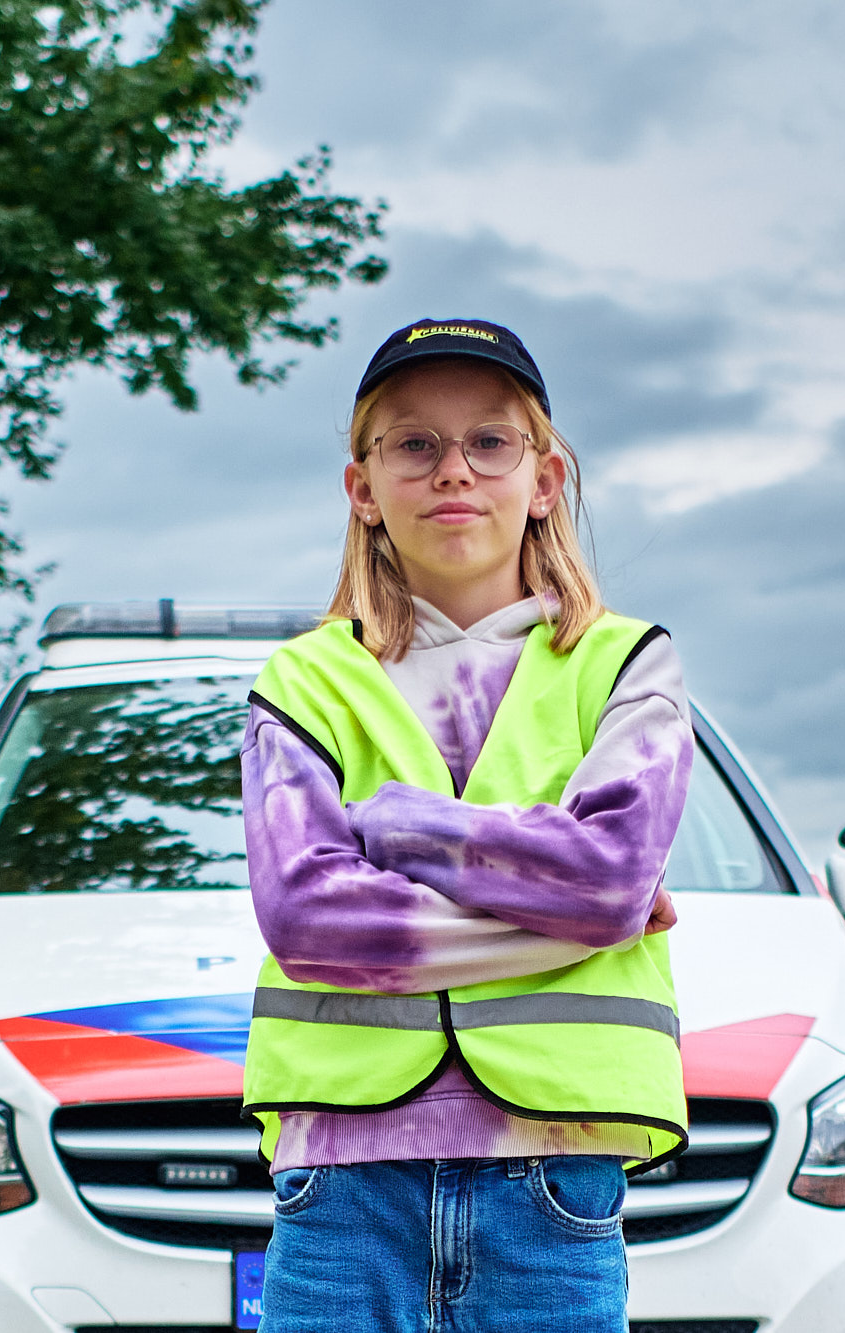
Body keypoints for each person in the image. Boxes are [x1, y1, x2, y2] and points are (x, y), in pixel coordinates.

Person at [240, 319, 695, 1333]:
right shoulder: (306, 681)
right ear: (362, 487)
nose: (453, 470)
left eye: (488, 441)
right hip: (342, 1184)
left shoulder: (624, 665)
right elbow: (307, 918)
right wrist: (576, 911)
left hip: (551, 1180)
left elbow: (612, 878)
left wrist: (399, 824)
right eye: (412, 443)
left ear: (544, 476)